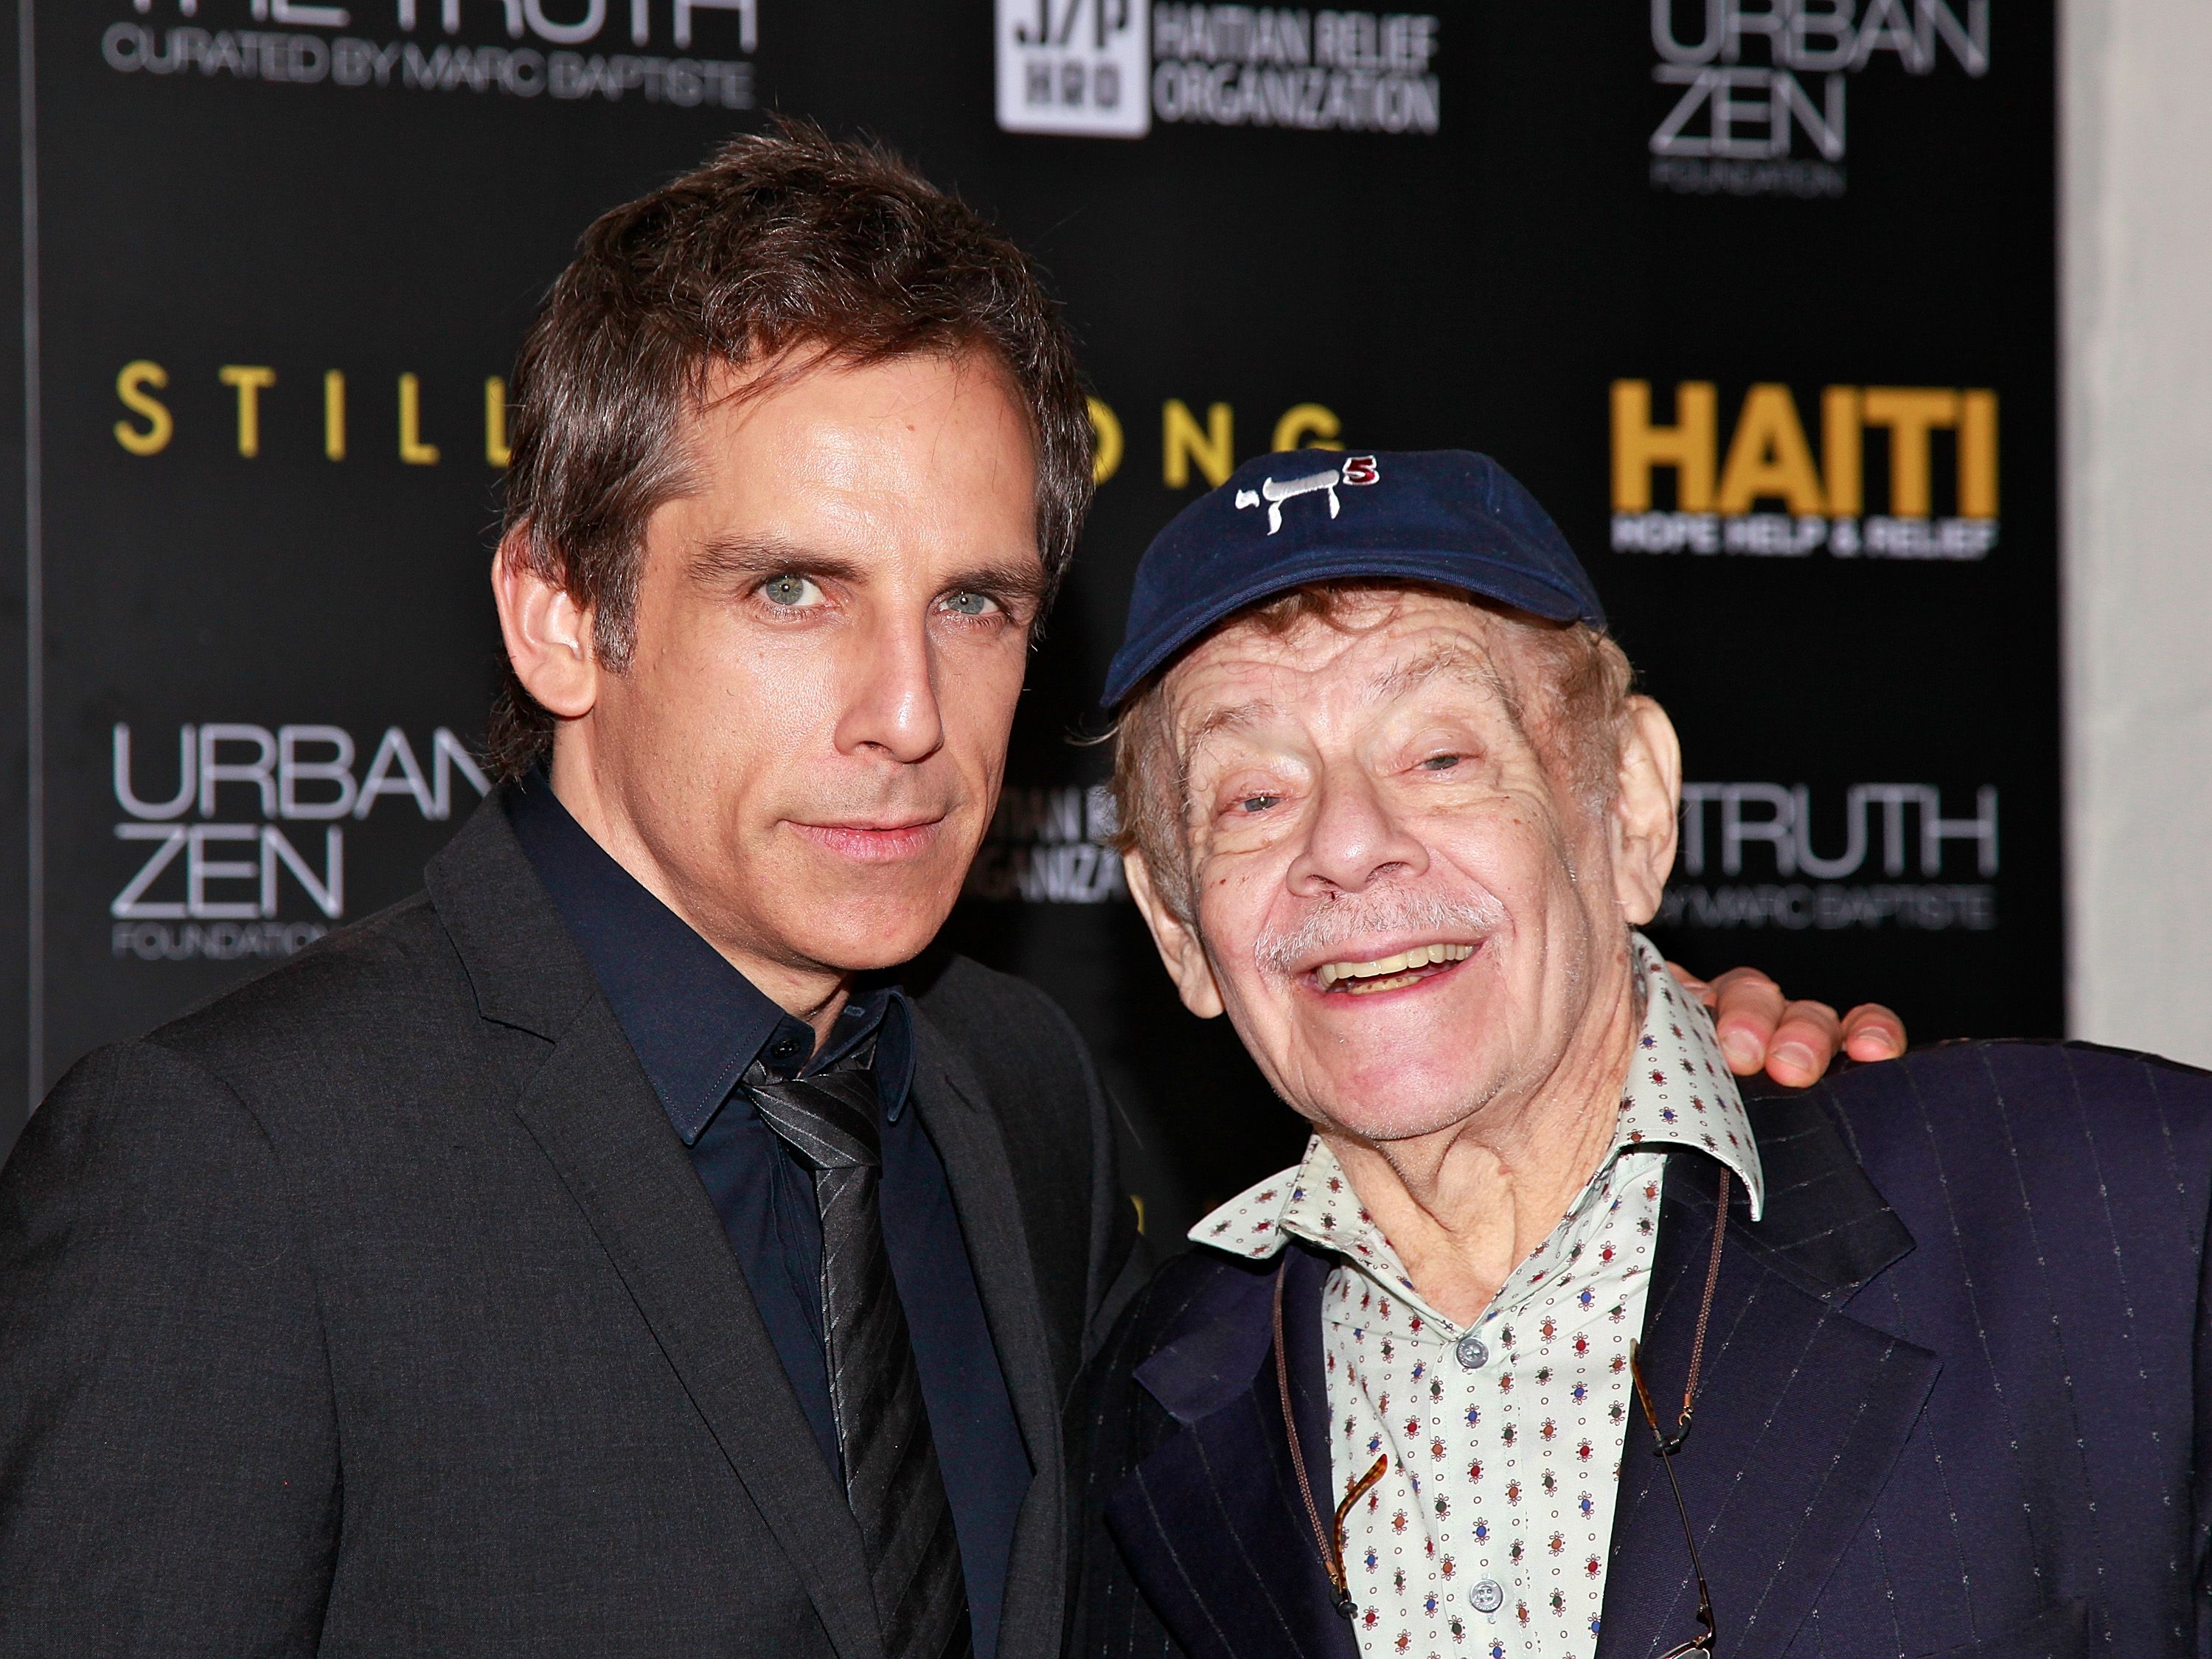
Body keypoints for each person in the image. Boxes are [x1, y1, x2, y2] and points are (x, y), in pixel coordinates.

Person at [0, 135, 1882, 1659]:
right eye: (793, 592)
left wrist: (1649, 1057)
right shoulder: (232, 1171)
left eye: (974, 606)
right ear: (564, 614)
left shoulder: (1016, 1094)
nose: (910, 717)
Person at [1076, 448, 2212, 1659]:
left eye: (1441, 755)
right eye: (1254, 796)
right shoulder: (1139, 1430)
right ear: (1178, 926)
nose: (1347, 846)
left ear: (1631, 805)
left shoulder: (2126, 1220)